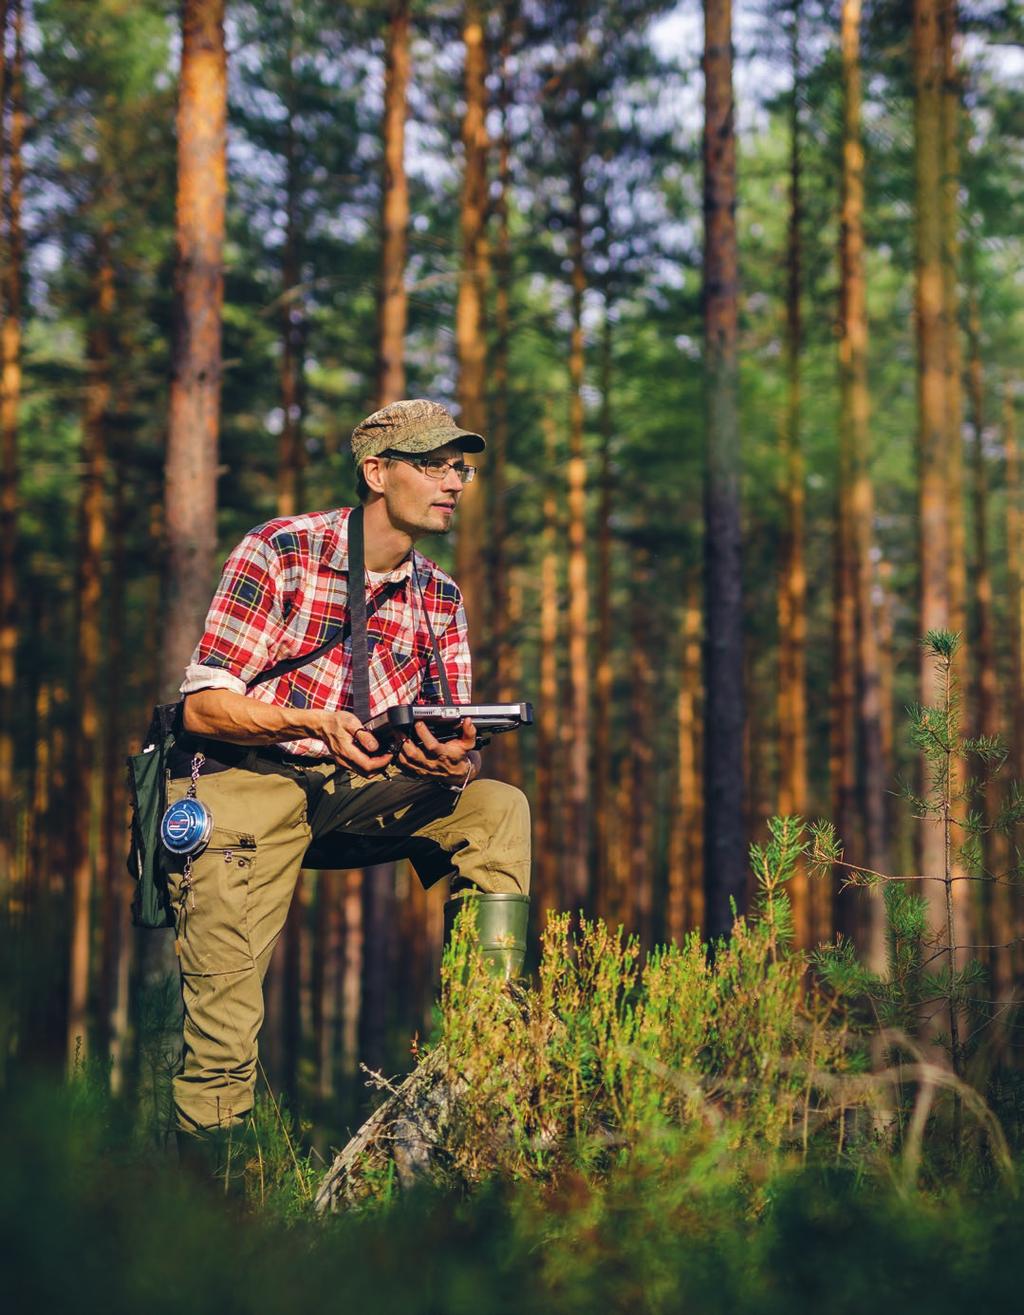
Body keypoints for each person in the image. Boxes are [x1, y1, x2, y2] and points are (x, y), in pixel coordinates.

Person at [166, 397, 531, 1146]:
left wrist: (447, 756)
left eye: (459, 467)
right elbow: (202, 707)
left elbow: (442, 730)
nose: (455, 481)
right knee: (225, 1022)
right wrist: (313, 723)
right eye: (432, 465)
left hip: (351, 789)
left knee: (495, 805)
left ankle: (483, 1064)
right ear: (375, 471)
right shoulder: (281, 551)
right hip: (244, 781)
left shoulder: (441, 597)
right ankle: (208, 1203)